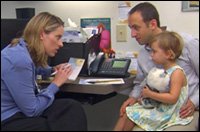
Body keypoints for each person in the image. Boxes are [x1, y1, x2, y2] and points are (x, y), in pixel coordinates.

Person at [114, 2, 199, 131]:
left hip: (184, 110)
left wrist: (194, 101)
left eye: (136, 28)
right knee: (126, 115)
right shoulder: (143, 54)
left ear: (153, 24)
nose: (132, 34)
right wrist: (133, 97)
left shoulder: (186, 43)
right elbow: (140, 83)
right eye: (131, 28)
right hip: (157, 108)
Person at [1, 12, 87, 131]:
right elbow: (32, 110)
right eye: (58, 37)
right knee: (65, 121)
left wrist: (52, 70)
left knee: (72, 107)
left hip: (19, 110)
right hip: (7, 120)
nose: (61, 44)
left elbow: (35, 68)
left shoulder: (22, 50)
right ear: (42, 34)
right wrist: (56, 84)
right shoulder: (19, 59)